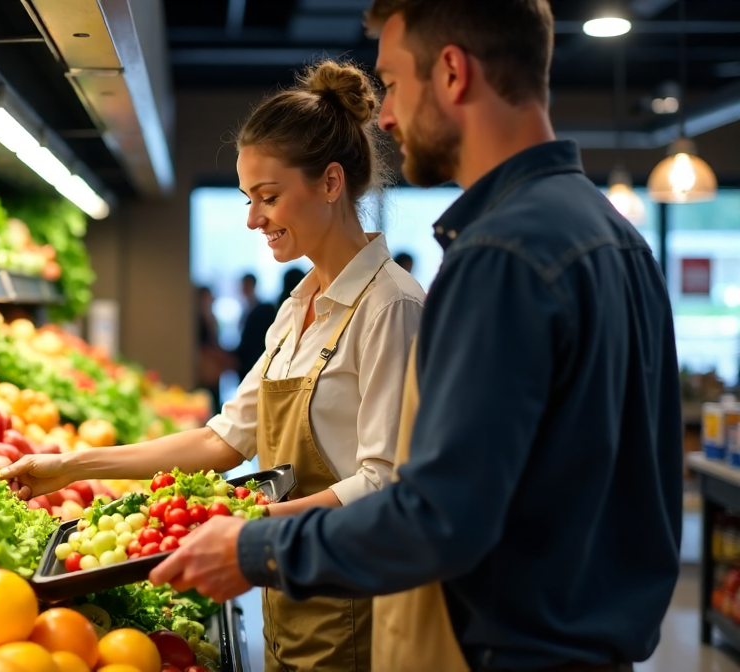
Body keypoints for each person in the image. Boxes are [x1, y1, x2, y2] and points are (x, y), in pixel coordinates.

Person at [146, 1, 683, 671]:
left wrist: (252, 547)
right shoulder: (620, 241)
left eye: (394, 82)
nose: (386, 115)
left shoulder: (500, 256)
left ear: (453, 73)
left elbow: (439, 515)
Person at [1, 59, 426, 672]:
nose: (254, 219)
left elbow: (385, 484)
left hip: (359, 611)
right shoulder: (299, 307)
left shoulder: (391, 306)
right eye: (248, 198)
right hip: (291, 596)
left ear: (331, 183)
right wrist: (69, 467)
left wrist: (244, 524)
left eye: (269, 197)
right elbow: (224, 439)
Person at [234, 273, 278, 376]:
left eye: (245, 285)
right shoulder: (245, 308)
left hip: (255, 359)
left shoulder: (261, 309)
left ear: (252, 285)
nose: (243, 288)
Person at [195, 286, 231, 410]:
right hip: (205, 363)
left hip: (213, 364)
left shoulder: (211, 317)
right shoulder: (198, 319)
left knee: (214, 395)